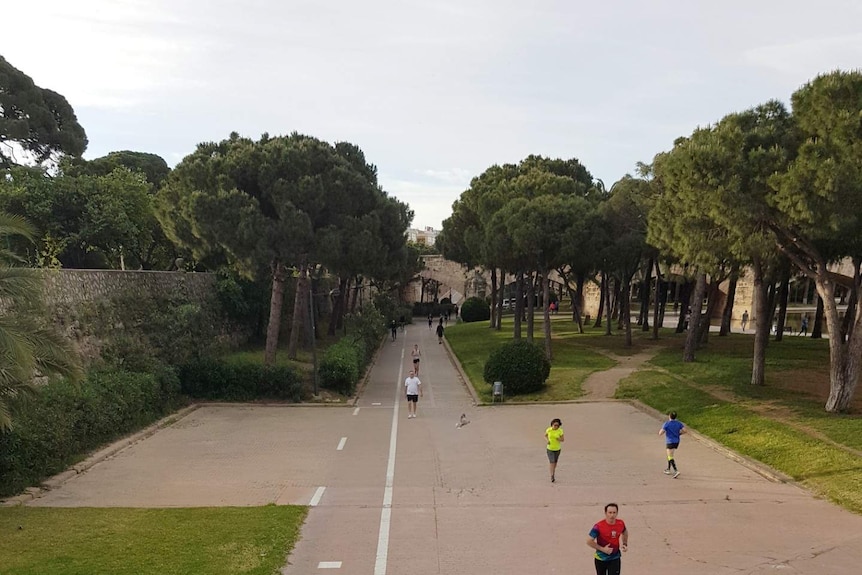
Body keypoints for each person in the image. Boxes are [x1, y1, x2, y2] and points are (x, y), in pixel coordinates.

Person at [587, 503, 628, 575]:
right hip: (601, 558)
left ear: (617, 513)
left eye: (614, 512)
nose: (612, 515)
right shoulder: (598, 526)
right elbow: (589, 541)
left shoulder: (620, 523)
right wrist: (603, 549)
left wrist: (625, 543)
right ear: (605, 513)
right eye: (610, 512)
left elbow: (625, 532)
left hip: (615, 557)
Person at [658, 411, 686, 478]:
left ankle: (676, 470)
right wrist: (679, 433)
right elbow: (685, 430)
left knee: (670, 456)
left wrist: (664, 431)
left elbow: (660, 433)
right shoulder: (678, 423)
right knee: (670, 455)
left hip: (670, 441)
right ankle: (668, 469)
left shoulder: (667, 424)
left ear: (669, 416)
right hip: (676, 441)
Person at [544, 418, 564, 483]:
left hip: (557, 449)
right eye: (554, 425)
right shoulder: (549, 430)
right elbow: (545, 435)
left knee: (555, 462)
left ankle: (553, 471)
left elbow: (563, 439)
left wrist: (559, 439)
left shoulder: (560, 431)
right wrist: (547, 440)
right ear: (552, 425)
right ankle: (552, 475)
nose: (555, 427)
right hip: (550, 448)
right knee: (552, 462)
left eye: (557, 425)